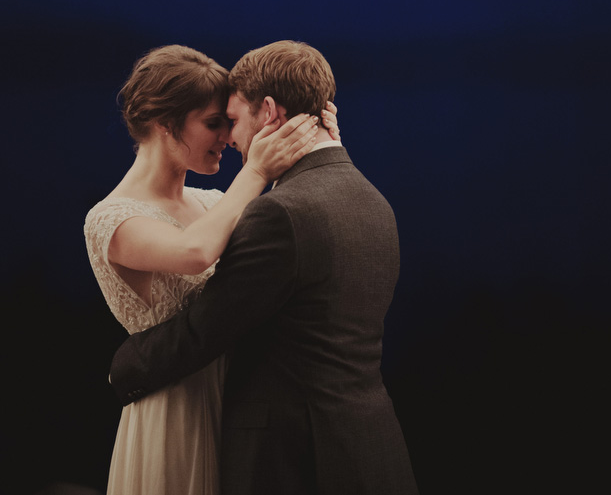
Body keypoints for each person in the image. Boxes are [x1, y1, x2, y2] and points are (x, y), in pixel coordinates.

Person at [110, 40, 418, 495]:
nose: (230, 138)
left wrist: (125, 366)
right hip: (372, 445)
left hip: (296, 459)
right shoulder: (373, 201)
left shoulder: (280, 213)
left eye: (232, 121)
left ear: (269, 111)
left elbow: (207, 328)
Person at [84, 44, 339, 495]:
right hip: (174, 411)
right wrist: (256, 172)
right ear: (166, 123)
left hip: (241, 406)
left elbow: (276, 249)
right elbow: (194, 253)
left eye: (229, 121)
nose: (227, 136)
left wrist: (318, 145)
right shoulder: (110, 218)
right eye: (212, 123)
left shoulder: (214, 202)